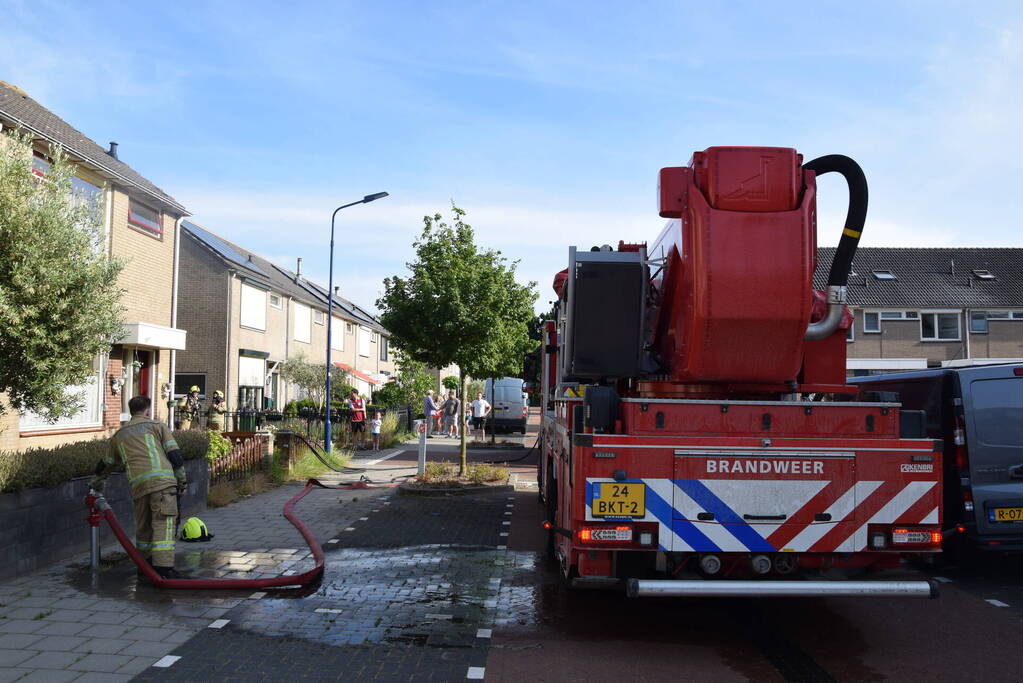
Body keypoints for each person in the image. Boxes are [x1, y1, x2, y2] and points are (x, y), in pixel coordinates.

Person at [90, 395, 191, 580]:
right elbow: (175, 456)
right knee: (163, 524)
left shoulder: (120, 435)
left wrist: (95, 484)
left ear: (131, 411)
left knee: (144, 528)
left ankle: (145, 568)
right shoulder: (157, 426)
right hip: (162, 484)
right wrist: (182, 482)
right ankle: (164, 569)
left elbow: (106, 463)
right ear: (147, 411)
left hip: (138, 487)